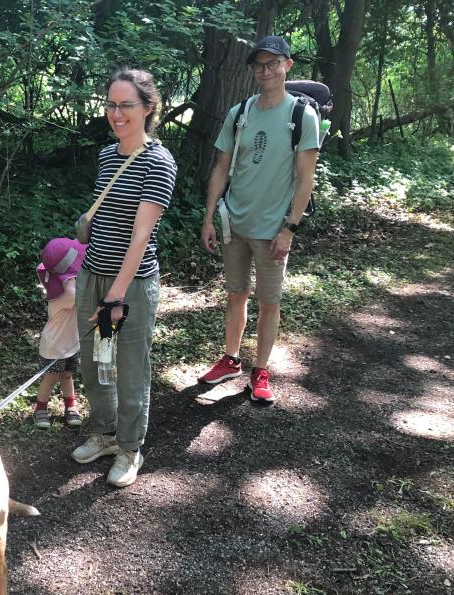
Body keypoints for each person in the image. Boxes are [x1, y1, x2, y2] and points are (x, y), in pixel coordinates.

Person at [71, 67, 177, 488]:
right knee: (98, 362)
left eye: (126, 105)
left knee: (131, 368)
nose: (117, 113)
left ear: (148, 108)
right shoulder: (106, 156)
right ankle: (106, 434)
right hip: (93, 275)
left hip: (129, 288)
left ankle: (131, 448)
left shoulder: (159, 161)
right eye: (111, 105)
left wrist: (115, 296)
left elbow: (141, 235)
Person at [199, 35, 319, 404]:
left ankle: (260, 370)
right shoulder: (241, 113)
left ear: (287, 65)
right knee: (236, 294)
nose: (265, 71)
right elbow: (221, 168)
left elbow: (305, 180)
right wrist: (208, 218)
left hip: (273, 231)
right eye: (258, 65)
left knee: (270, 301)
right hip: (234, 223)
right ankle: (231, 358)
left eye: (272, 64)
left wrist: (290, 229)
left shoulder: (302, 115)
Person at [33, 237, 86, 429]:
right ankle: (40, 409)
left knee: (67, 375)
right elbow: (85, 297)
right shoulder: (65, 294)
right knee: (51, 377)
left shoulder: (65, 285)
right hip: (55, 345)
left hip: (71, 342)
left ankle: (70, 407)